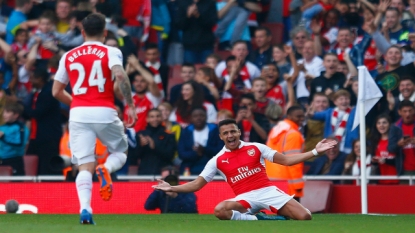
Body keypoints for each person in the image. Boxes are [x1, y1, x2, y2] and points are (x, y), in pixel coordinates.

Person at [152, 118, 337, 220]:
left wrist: (315, 152)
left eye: (233, 131)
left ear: (239, 132)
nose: (230, 135)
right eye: (226, 133)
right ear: (221, 136)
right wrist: (172, 188)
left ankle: (272, 215)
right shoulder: (217, 160)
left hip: (267, 191)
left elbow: (287, 161)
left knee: (305, 217)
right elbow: (197, 184)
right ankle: (261, 219)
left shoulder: (256, 147)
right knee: (220, 210)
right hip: (245, 198)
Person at [52, 13, 137, 224]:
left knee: (84, 165)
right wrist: (131, 105)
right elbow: (120, 75)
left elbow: (56, 91)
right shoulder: (111, 51)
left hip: (78, 113)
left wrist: (77, 102)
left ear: (82, 33)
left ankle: (85, 210)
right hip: (105, 110)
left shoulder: (69, 55)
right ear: (105, 32)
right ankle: (106, 169)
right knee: (120, 152)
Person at [266, 106, 305, 200]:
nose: (301, 119)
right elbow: (294, 161)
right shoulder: (293, 134)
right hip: (289, 183)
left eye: (302, 116)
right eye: (298, 116)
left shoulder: (276, 130)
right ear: (289, 116)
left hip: (273, 178)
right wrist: (298, 185)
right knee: (297, 214)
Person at [178, 107, 223, 174]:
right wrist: (196, 153)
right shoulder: (186, 131)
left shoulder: (215, 130)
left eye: (201, 115)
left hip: (212, 166)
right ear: (191, 118)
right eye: (195, 116)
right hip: (190, 167)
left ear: (206, 116)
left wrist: (204, 150)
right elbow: (181, 153)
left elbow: (221, 150)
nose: (198, 118)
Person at [135, 108, 176, 175]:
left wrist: (155, 146)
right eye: (152, 117)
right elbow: (135, 157)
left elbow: (170, 155)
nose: (155, 119)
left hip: (163, 174)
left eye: (158, 116)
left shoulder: (169, 135)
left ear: (162, 118)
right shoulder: (140, 135)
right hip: (145, 173)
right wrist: (141, 146)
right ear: (147, 119)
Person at [370, 114, 402, 184]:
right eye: (379, 123)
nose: (381, 125)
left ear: (390, 124)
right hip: (380, 180)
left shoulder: (397, 140)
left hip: (397, 180)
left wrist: (385, 161)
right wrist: (373, 160)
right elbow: (373, 162)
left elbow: (400, 160)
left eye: (384, 122)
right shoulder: (375, 141)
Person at [0, 102, 29, 176]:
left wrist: (3, 137)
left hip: (14, 161)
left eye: (8, 112)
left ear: (16, 115)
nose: (4, 115)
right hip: (2, 160)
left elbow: (19, 144)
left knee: (15, 184)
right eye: (4, 112)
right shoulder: (2, 127)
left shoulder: (21, 128)